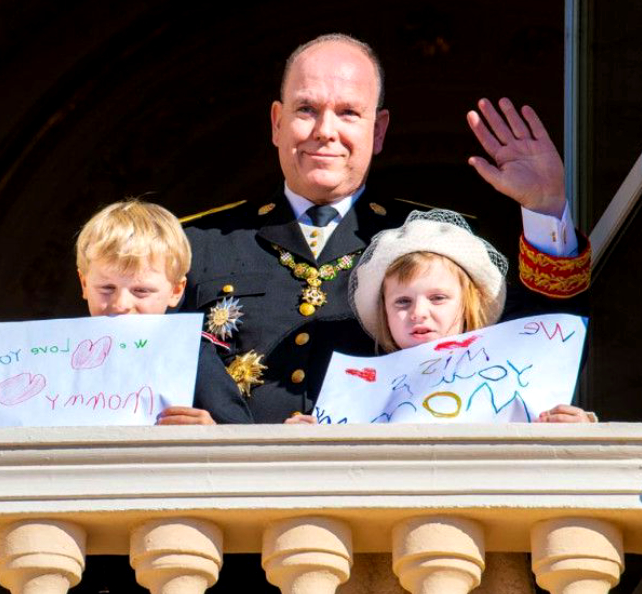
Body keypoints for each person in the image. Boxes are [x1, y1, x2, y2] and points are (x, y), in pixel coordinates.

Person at [181, 33, 591, 424]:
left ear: (377, 130)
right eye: (306, 109)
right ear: (277, 122)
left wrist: (545, 209)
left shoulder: (441, 241)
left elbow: (540, 348)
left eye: (348, 113)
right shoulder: (194, 245)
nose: (325, 130)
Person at [349, 208, 592, 423]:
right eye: (403, 302)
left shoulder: (514, 374)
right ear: (384, 313)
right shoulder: (357, 392)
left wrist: (576, 430)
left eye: (438, 298)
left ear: (468, 305)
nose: (418, 313)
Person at [75, 199, 253, 425]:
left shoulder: (191, 353)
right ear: (84, 284)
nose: (121, 304)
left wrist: (212, 430)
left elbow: (241, 435)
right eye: (107, 288)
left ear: (176, 291)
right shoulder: (56, 352)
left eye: (141, 291)